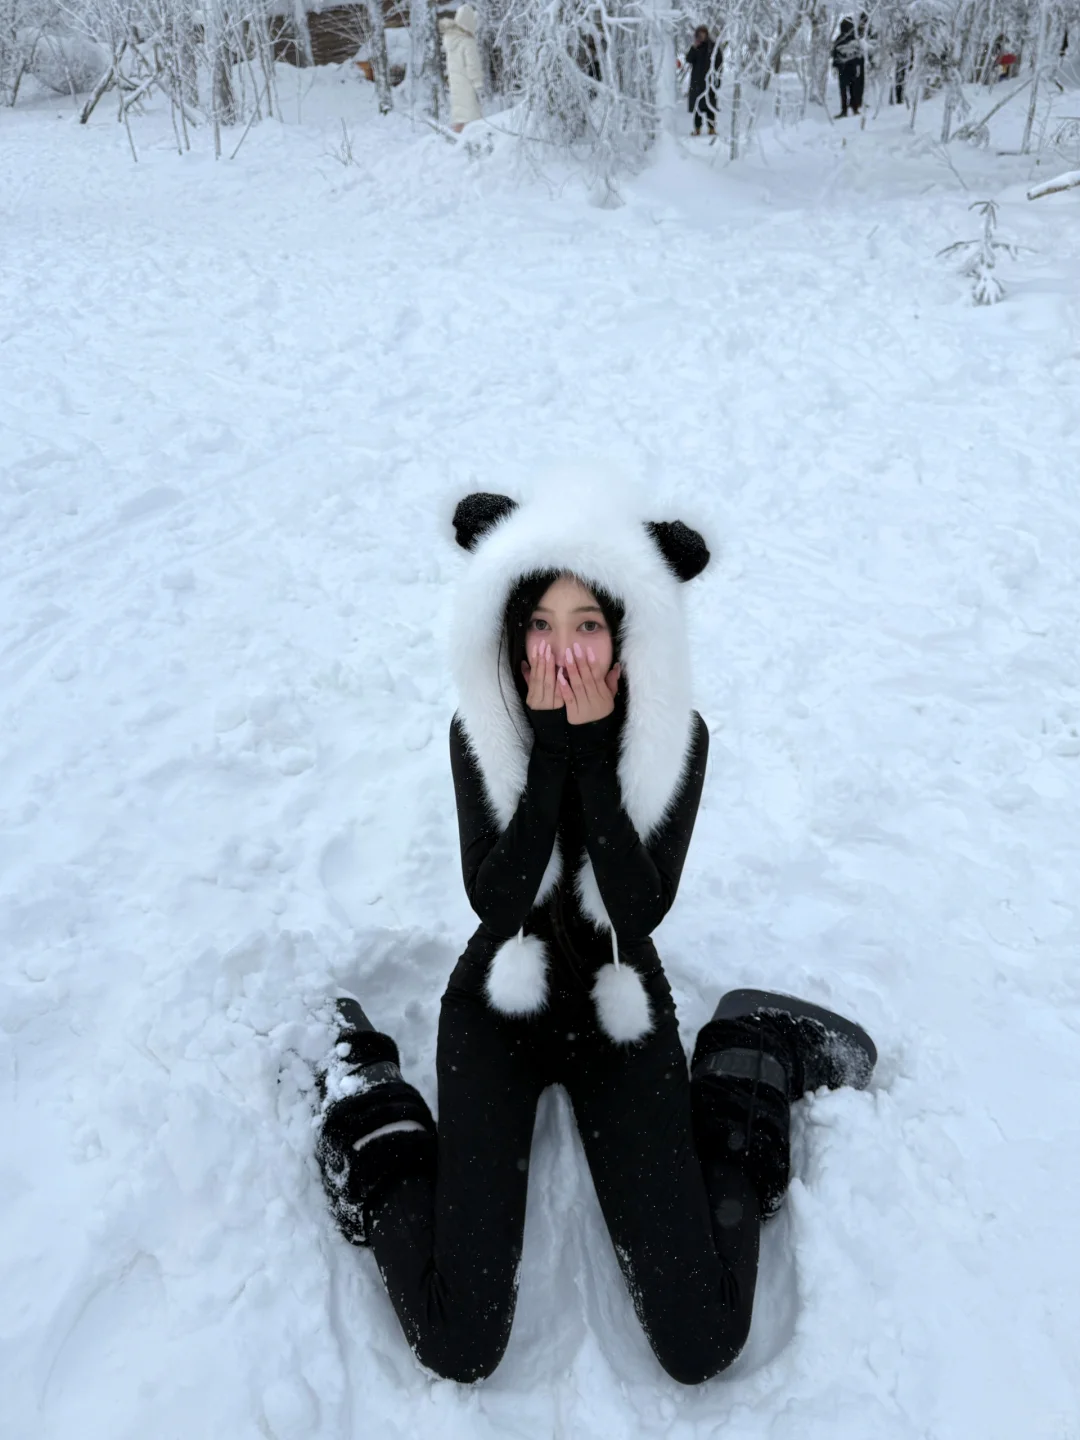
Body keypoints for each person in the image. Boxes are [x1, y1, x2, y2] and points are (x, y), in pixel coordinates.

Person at [315, 482, 877, 1385]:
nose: (563, 648)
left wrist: (592, 761)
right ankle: (364, 1102)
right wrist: (549, 755)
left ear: (626, 633)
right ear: (509, 632)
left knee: (700, 1341)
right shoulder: (484, 730)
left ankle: (748, 1055)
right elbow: (496, 905)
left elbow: (635, 905)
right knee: (461, 1341)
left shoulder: (672, 737)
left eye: (588, 623)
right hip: (501, 993)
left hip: (619, 996)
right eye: (541, 623)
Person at [439, 3, 483, 133]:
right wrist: (478, 83)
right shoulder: (467, 42)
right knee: (472, 116)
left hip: (455, 83)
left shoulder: (450, 39)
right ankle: (471, 143)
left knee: (460, 115)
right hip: (467, 83)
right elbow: (472, 65)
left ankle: (457, 138)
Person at [682, 25, 723, 136]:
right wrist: (694, 47)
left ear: (706, 34)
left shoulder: (713, 47)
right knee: (697, 106)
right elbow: (688, 59)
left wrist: (717, 78)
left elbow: (719, 62)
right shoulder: (696, 47)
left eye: (703, 33)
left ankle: (711, 128)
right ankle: (697, 129)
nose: (701, 36)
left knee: (710, 106)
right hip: (696, 81)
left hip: (709, 81)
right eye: (699, 34)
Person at [831, 17, 864, 118]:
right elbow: (860, 55)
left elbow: (834, 54)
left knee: (844, 90)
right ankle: (853, 108)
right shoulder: (854, 39)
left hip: (844, 69)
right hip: (851, 69)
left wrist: (835, 66)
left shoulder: (839, 39)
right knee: (852, 89)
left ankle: (845, 110)